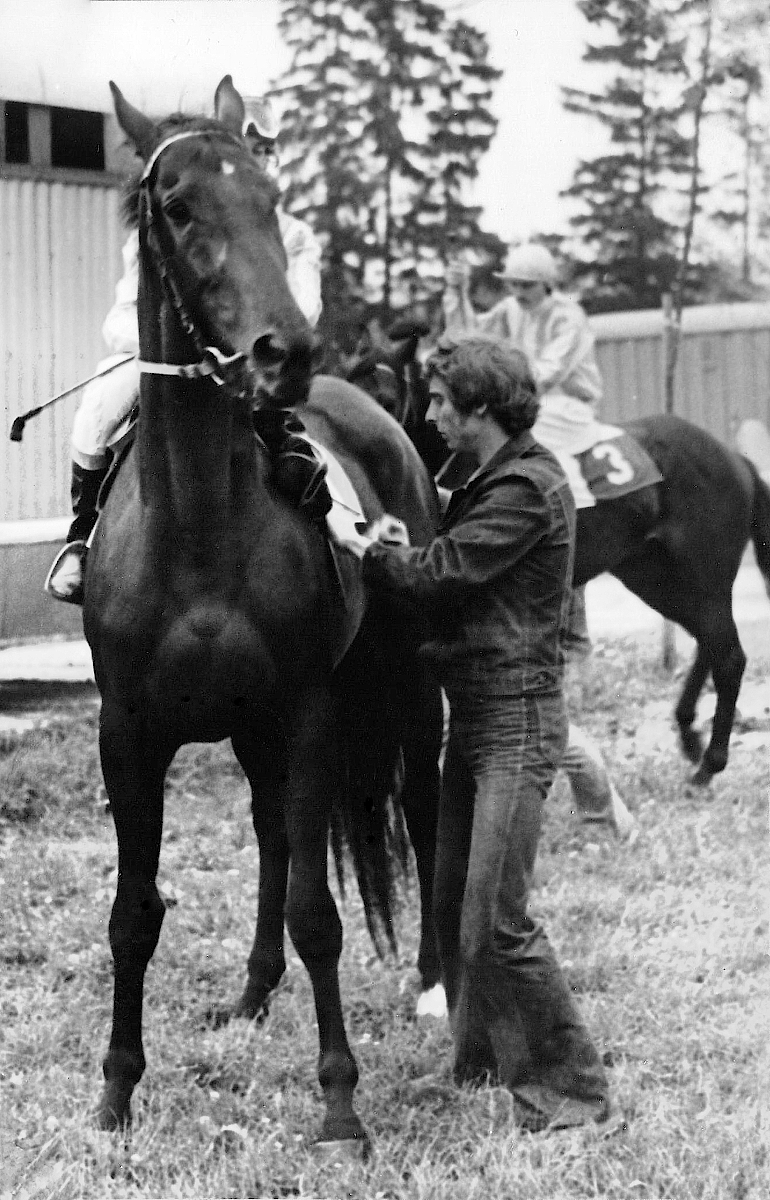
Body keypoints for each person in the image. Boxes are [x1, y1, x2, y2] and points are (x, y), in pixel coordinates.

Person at [339, 337, 612, 1130]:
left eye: (441, 403)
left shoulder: (527, 487)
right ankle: (481, 1064)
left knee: (499, 921)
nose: (429, 415)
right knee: (457, 903)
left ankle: (579, 1094)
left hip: (516, 723)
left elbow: (442, 575)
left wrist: (365, 548)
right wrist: (394, 540)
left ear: (481, 410)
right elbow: (445, 559)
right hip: (478, 718)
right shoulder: (492, 479)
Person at [47, 95, 330, 605]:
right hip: (165, 357)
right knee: (97, 408)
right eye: (251, 147)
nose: (260, 157)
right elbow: (130, 310)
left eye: (267, 149)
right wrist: (174, 349)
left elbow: (304, 305)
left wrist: (254, 337)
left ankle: (328, 529)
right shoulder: (177, 223)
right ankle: (82, 533)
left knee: (286, 423)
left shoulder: (293, 233)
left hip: (254, 357)